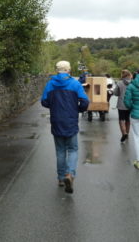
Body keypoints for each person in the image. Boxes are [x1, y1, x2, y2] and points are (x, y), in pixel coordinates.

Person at [41, 61, 89, 193]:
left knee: (60, 151)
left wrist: (54, 106)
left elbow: (44, 101)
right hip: (71, 120)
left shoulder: (50, 84)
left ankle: (61, 178)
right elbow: (85, 101)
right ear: (69, 70)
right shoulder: (75, 83)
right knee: (73, 149)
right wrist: (78, 109)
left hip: (56, 120)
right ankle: (70, 174)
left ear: (57, 70)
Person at [113, 69, 132, 142]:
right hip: (130, 104)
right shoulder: (132, 83)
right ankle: (127, 133)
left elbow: (115, 93)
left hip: (121, 104)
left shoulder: (119, 83)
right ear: (129, 75)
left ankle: (124, 133)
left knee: (121, 119)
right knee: (127, 119)